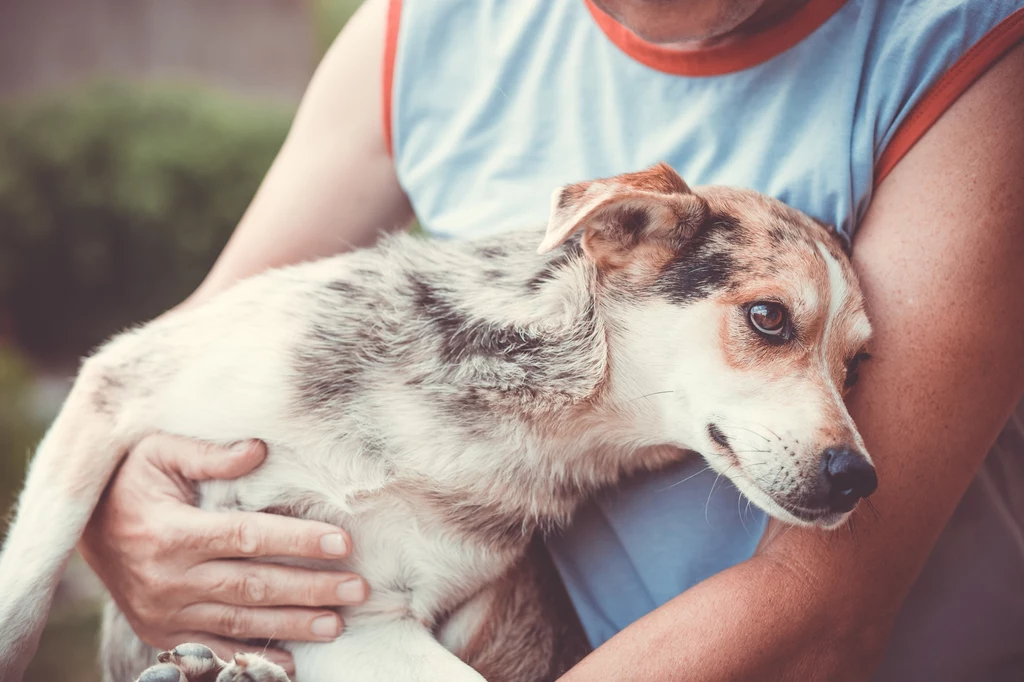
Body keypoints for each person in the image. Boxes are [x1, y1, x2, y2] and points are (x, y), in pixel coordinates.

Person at [79, 0, 1024, 679]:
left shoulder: (964, 42)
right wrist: (121, 523)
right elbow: (200, 343)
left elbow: (820, 619)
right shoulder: (431, 25)